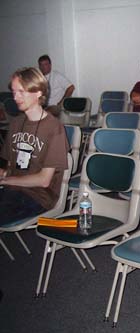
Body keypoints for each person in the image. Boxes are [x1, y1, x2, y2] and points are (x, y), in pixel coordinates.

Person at [0, 67, 69, 226]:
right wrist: (4, 174)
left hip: (38, 197)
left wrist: (5, 180)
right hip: (13, 189)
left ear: (38, 92)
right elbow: (10, 167)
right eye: (13, 91)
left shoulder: (54, 128)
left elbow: (44, 181)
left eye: (21, 91)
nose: (15, 97)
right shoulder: (16, 123)